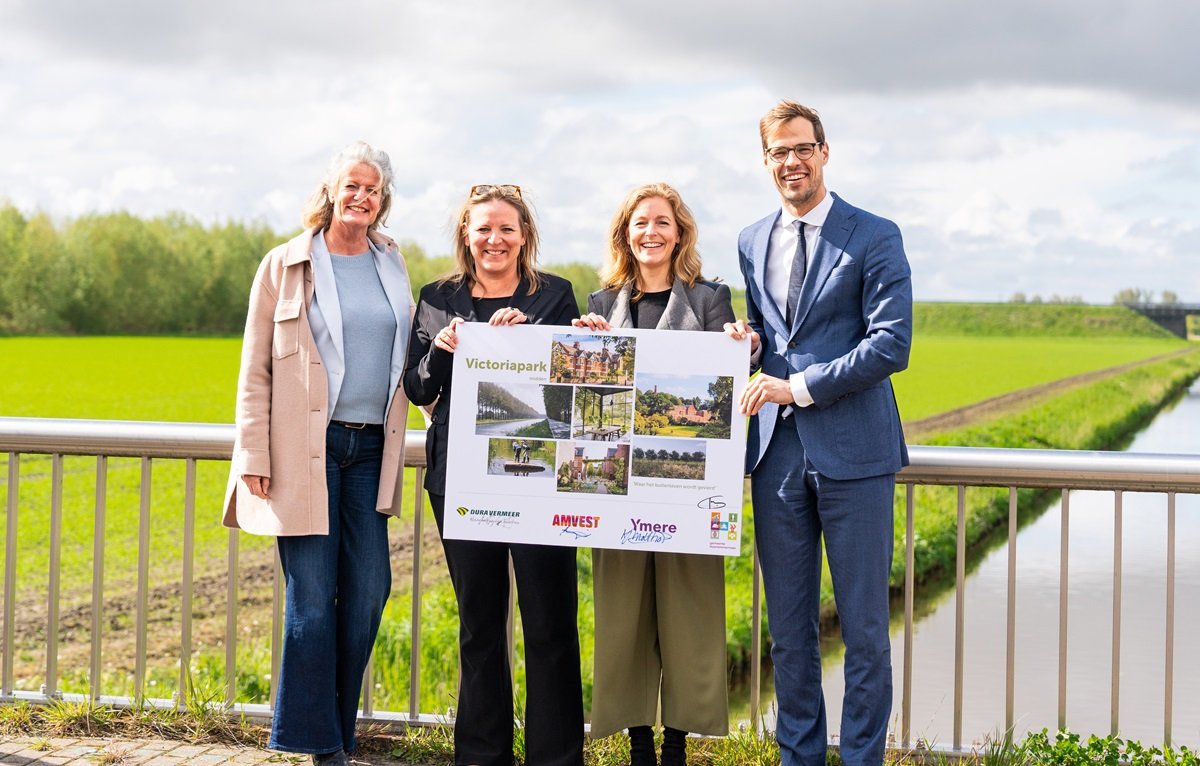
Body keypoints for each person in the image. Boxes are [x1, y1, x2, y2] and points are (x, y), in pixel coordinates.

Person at [725, 100, 912, 766]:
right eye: (778, 151)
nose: (791, 162)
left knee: (864, 632)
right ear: (766, 160)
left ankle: (861, 759)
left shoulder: (874, 234)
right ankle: (797, 758)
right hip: (776, 456)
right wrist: (744, 349)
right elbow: (773, 339)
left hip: (857, 454)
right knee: (789, 634)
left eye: (802, 148)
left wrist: (796, 387)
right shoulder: (750, 240)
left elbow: (891, 344)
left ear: (825, 152)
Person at [222, 141, 413, 765]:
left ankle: (329, 728)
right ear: (331, 191)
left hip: (369, 450)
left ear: (383, 201)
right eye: (351, 186)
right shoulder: (286, 263)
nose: (361, 197)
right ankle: (321, 745)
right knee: (311, 600)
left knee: (367, 595)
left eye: (373, 189)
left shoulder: (392, 262)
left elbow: (404, 358)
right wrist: (253, 452)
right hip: (308, 451)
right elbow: (255, 369)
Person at [403, 184, 584, 766]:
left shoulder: (553, 294)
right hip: (461, 481)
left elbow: (568, 379)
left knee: (551, 623)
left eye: (506, 228)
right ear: (465, 235)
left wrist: (526, 334)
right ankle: (481, 757)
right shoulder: (436, 297)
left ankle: (555, 758)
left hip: (540, 479)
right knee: (480, 626)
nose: (494, 239)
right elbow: (418, 388)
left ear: (524, 235)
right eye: (483, 228)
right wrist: (446, 348)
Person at [574, 182, 734, 766]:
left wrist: (746, 346)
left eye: (662, 223)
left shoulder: (712, 300)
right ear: (625, 234)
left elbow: (732, 375)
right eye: (641, 223)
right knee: (622, 611)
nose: (651, 233)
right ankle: (639, 740)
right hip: (615, 483)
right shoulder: (598, 303)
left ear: (680, 232)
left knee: (690, 608)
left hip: (686, 486)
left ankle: (677, 743)